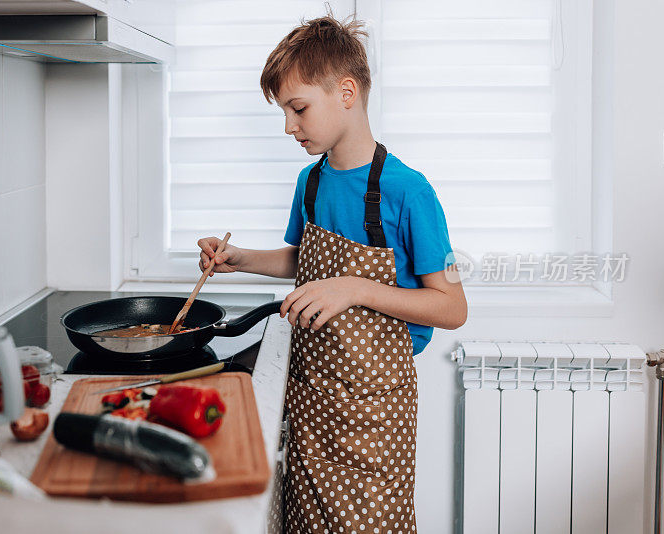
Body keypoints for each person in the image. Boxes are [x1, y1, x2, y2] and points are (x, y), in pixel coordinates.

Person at [197, 13, 467, 534]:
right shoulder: (311, 184)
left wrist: (355, 289)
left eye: (298, 108)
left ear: (347, 92)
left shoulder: (410, 192)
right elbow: (305, 262)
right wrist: (240, 258)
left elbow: (452, 307)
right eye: (284, 111)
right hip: (310, 396)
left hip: (373, 416)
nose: (289, 126)